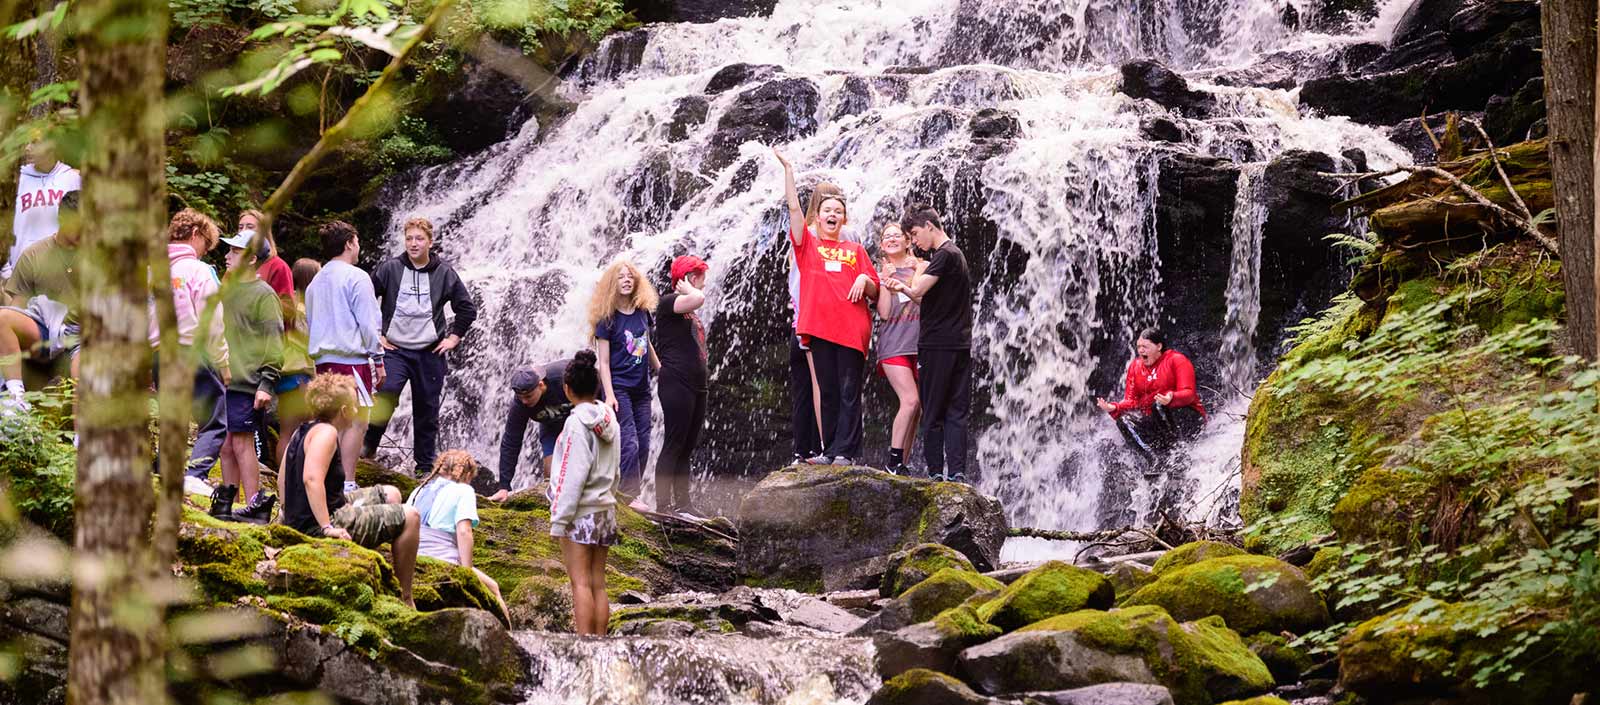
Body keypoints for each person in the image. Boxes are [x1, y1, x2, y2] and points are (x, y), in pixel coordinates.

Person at [773, 148, 879, 466]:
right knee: (828, 391)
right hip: (819, 328)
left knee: (848, 391)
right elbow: (793, 208)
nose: (832, 215)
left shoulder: (855, 248)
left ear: (843, 219)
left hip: (850, 328)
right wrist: (789, 172)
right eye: (826, 210)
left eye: (838, 211)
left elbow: (874, 287)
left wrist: (864, 278)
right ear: (817, 217)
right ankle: (830, 449)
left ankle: (847, 452)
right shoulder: (808, 245)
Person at [280, 372, 421, 607]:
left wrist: (288, 514)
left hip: (315, 513)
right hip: (325, 522)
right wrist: (326, 527)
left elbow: (282, 477)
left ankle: (373, 560)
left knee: (391, 494)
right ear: (344, 411)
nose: (358, 409)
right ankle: (405, 598)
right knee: (412, 516)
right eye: (355, 405)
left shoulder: (304, 429)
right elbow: (311, 479)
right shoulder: (327, 433)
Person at [364, 216, 478, 473]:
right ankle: (368, 447)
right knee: (386, 392)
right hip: (395, 350)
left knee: (427, 410)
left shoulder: (444, 273)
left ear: (430, 241)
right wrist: (376, 334)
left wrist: (453, 338)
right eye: (409, 239)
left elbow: (466, 308)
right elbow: (365, 299)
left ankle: (424, 467)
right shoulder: (390, 269)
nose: (413, 244)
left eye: (419, 239)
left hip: (430, 352)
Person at [885, 206, 972, 483]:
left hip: (937, 345)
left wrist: (901, 286)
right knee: (957, 411)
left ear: (929, 226)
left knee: (933, 410)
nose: (914, 243)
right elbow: (927, 299)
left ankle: (935, 472)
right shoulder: (957, 256)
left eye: (914, 234)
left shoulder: (943, 255)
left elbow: (918, 290)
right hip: (960, 344)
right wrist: (910, 290)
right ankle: (957, 473)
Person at [154, 209, 233, 500]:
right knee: (214, 417)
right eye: (206, 245)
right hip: (191, 350)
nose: (205, 252)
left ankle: (166, 470)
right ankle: (195, 474)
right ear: (196, 235)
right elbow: (212, 322)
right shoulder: (199, 271)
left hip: (159, 353)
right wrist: (223, 362)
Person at [305, 220, 385, 489]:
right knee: (356, 421)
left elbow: (311, 320)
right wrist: (379, 357)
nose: (359, 246)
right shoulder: (356, 276)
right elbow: (368, 323)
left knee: (329, 421)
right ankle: (347, 481)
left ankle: (326, 477)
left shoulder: (316, 280)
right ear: (350, 242)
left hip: (323, 361)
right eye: (357, 241)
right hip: (351, 360)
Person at [547, 350, 620, 636]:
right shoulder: (609, 420)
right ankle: (600, 642)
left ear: (566, 389)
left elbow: (570, 477)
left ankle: (584, 645)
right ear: (597, 387)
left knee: (579, 582)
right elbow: (615, 470)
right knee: (598, 582)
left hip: (581, 513)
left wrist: (559, 520)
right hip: (605, 509)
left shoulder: (576, 424)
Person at [215, 230, 285, 523]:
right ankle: (227, 501)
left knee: (242, 442)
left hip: (248, 382)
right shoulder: (225, 290)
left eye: (234, 251)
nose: (227, 256)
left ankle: (255, 503)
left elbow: (275, 343)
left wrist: (266, 384)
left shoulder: (265, 295)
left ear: (252, 259)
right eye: (228, 250)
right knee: (225, 443)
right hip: (224, 380)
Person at [0, 189, 82, 410]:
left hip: (82, 337)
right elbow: (18, 310)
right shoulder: (34, 254)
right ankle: (15, 399)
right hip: (44, 334)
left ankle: (80, 439)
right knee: (2, 318)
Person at [405, 449, 509, 621]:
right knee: (494, 588)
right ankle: (513, 640)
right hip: (444, 558)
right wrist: (466, 572)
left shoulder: (419, 490)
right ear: (467, 475)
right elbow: (464, 531)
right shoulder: (463, 491)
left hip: (414, 557)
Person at [587, 259, 658, 501]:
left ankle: (628, 493)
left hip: (642, 388)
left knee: (645, 444)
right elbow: (603, 362)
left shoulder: (641, 311)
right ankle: (630, 496)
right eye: (620, 277)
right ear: (612, 283)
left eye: (630, 276)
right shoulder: (606, 319)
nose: (626, 280)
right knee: (630, 444)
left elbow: (646, 343)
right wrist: (609, 395)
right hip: (620, 388)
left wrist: (660, 368)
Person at [786, 184, 842, 464]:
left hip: (799, 318)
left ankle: (803, 450)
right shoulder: (812, 238)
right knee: (822, 384)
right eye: (830, 206)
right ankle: (826, 447)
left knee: (805, 389)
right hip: (816, 320)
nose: (835, 213)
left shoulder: (803, 236)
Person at [1095, 327, 1207, 465]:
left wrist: (1171, 398)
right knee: (1124, 421)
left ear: (1159, 346)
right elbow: (1132, 401)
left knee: (1159, 405)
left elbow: (1189, 394)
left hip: (1187, 419)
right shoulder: (1135, 367)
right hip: (1158, 423)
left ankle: (1178, 454)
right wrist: (1113, 407)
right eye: (1138, 347)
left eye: (1145, 347)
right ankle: (1154, 459)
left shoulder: (1177, 360)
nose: (1141, 350)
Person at [654, 255, 709, 516]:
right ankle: (664, 506)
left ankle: (684, 504)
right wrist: (690, 288)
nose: (704, 283)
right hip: (676, 381)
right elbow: (698, 298)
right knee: (674, 443)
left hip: (697, 384)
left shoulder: (688, 308)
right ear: (688, 278)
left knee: (687, 446)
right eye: (700, 277)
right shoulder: (668, 303)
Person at [491, 360, 584, 502]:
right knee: (551, 474)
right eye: (521, 398)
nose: (525, 402)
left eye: (528, 396)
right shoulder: (520, 404)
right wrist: (504, 486)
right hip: (552, 428)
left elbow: (595, 385)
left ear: (541, 385)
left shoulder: (564, 377)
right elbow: (511, 440)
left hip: (582, 422)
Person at [873, 223, 925, 475]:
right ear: (882, 246)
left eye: (897, 235)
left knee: (919, 407)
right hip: (893, 345)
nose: (891, 239)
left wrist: (914, 271)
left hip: (921, 345)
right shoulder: (880, 273)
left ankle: (902, 462)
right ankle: (893, 461)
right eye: (887, 237)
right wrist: (883, 280)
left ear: (908, 241)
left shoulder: (923, 266)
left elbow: (924, 299)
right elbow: (883, 313)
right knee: (910, 399)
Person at [6, 139, 80, 279]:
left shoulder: (73, 179)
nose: (27, 148)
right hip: (20, 275)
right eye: (26, 141)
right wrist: (6, 273)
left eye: (35, 142)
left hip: (62, 275)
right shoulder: (16, 180)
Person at [275, 258, 321, 469]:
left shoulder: (285, 303)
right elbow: (312, 343)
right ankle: (295, 476)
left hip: (283, 373)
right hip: (300, 374)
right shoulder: (306, 309)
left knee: (286, 431)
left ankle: (282, 478)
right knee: (306, 429)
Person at [236, 209, 293, 302]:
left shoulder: (278, 266)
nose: (243, 231)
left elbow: (288, 309)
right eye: (240, 227)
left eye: (250, 227)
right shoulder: (234, 263)